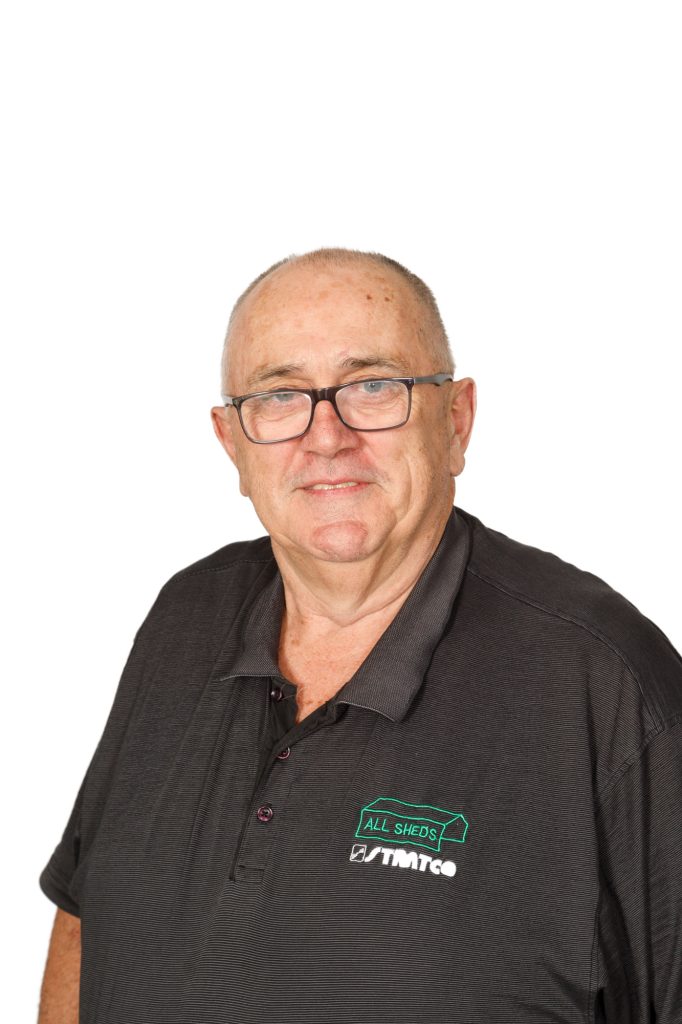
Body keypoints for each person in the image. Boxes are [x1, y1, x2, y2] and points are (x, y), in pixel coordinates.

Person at [38, 248, 682, 1023]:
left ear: (456, 420)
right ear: (231, 442)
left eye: (373, 386)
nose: (326, 437)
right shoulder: (185, 620)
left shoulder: (603, 682)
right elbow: (86, 913)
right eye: (280, 396)